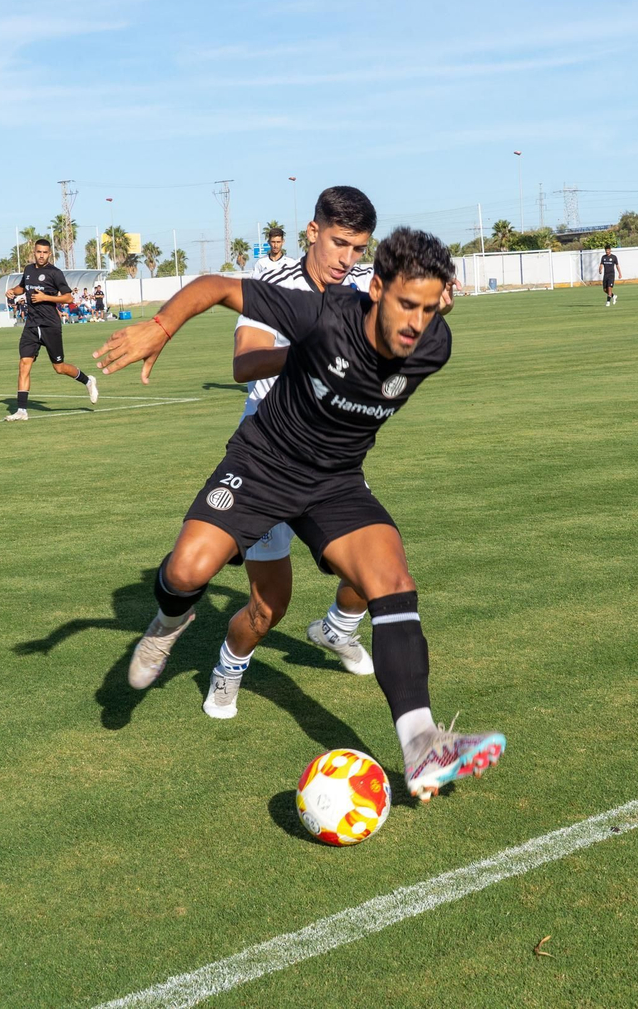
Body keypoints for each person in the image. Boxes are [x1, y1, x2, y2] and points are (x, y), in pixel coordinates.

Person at [93, 226, 505, 802]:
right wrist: (160, 328)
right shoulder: (324, 317)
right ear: (377, 289)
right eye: (406, 304)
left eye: (429, 308)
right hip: (264, 464)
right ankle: (167, 624)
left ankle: (420, 745)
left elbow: (431, 312)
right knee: (186, 573)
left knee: (392, 583)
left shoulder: (435, 344)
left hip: (335, 483)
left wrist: (437, 300)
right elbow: (214, 286)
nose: (416, 323)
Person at [199, 186, 381, 721]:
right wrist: (312, 348)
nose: (348, 261)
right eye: (340, 244)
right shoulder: (270, 284)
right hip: (268, 456)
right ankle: (229, 668)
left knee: (374, 577)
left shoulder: (363, 288)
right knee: (268, 607)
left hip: (330, 458)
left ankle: (335, 629)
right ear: (313, 232)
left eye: (359, 249)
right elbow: (245, 364)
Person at [2, 238, 98, 422]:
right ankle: (22, 410)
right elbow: (22, 287)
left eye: (45, 252)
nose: (41, 255)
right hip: (31, 325)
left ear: (49, 254)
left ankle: (88, 381)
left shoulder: (55, 273)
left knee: (59, 368)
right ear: (34, 252)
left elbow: (69, 298)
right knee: (24, 364)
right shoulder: (29, 270)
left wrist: (45, 297)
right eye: (39, 252)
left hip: (50, 326)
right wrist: (13, 291)